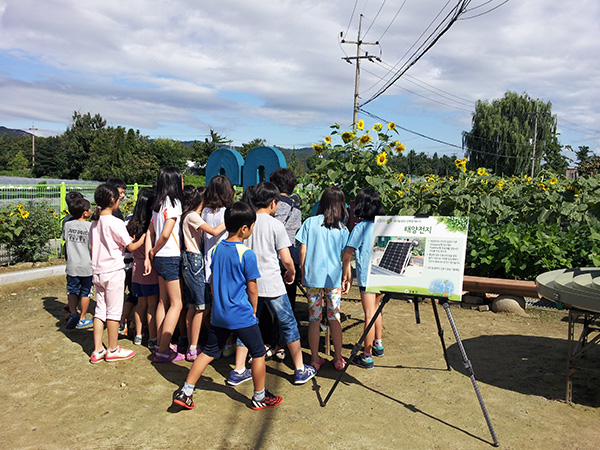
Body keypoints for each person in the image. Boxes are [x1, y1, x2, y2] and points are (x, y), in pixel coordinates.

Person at [172, 202, 282, 411]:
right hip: (241, 313)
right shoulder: (246, 254)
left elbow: (212, 280)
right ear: (244, 228)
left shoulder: (218, 249)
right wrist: (253, 310)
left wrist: (218, 301)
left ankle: (185, 391)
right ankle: (259, 396)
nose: (252, 229)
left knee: (209, 352)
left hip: (220, 314)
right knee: (258, 352)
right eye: (252, 226)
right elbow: (252, 288)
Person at [229, 182, 316, 386]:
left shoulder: (247, 222)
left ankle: (239, 369)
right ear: (273, 202)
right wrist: (292, 272)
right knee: (288, 323)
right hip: (272, 283)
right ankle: (300, 369)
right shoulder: (275, 225)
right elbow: (286, 258)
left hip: (249, 283)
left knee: (247, 323)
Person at [296, 186, 349, 371]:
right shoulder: (342, 228)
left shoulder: (310, 222)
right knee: (335, 317)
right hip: (333, 279)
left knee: (314, 319)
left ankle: (315, 358)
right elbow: (345, 256)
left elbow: (302, 250)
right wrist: (345, 276)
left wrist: (304, 273)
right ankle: (338, 358)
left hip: (312, 279)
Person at [89, 184, 144, 363]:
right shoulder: (115, 222)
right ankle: (113, 348)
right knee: (113, 312)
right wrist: (145, 237)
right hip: (113, 271)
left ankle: (97, 349)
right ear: (112, 200)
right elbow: (131, 246)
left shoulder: (95, 222)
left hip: (98, 271)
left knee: (100, 310)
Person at [342, 188, 386, 369]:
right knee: (377, 310)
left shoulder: (360, 228)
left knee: (369, 314)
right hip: (383, 274)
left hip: (367, 277)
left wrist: (346, 273)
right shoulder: (384, 225)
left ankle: (366, 356)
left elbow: (348, 254)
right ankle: (378, 343)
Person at [145, 167, 185, 362]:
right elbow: (166, 233)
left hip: (160, 258)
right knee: (177, 303)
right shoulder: (174, 203)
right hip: (169, 256)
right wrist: (154, 249)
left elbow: (151, 230)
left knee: (163, 301)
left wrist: (151, 253)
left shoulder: (158, 204)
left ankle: (160, 344)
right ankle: (163, 350)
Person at [181, 186, 226, 361]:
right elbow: (214, 232)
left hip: (191, 260)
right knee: (201, 307)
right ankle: (193, 348)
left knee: (194, 306)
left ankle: (194, 343)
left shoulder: (190, 215)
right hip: (194, 260)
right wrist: (230, 218)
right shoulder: (192, 216)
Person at [201, 175, 235, 357]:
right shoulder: (228, 212)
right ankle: (228, 342)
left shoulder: (205, 211)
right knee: (226, 303)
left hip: (208, 261)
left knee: (213, 305)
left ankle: (214, 340)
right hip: (225, 262)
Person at [126, 187, 159, 347]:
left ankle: (138, 335)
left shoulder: (132, 223)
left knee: (140, 304)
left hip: (136, 269)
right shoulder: (151, 225)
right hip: (149, 269)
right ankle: (153, 337)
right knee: (152, 305)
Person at [269, 168, 302, 313]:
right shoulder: (296, 209)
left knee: (267, 303)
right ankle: (285, 334)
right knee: (288, 303)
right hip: (290, 259)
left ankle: (267, 334)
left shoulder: (269, 206)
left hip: (270, 258)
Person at [63, 196, 93, 329]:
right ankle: (83, 318)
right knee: (86, 292)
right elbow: (92, 245)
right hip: (87, 265)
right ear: (85, 213)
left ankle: (73, 312)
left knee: (72, 291)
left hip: (72, 266)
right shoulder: (90, 226)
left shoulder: (68, 225)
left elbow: (65, 239)